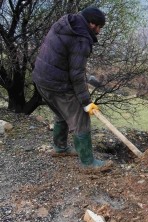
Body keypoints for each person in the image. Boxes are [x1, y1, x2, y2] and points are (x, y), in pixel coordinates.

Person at [32, 6, 110, 169]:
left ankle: (60, 148)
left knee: (62, 113)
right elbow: (77, 75)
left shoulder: (65, 23)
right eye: (99, 27)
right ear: (92, 24)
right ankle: (88, 163)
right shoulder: (81, 39)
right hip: (56, 83)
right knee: (81, 118)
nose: (99, 32)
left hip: (40, 78)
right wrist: (86, 102)